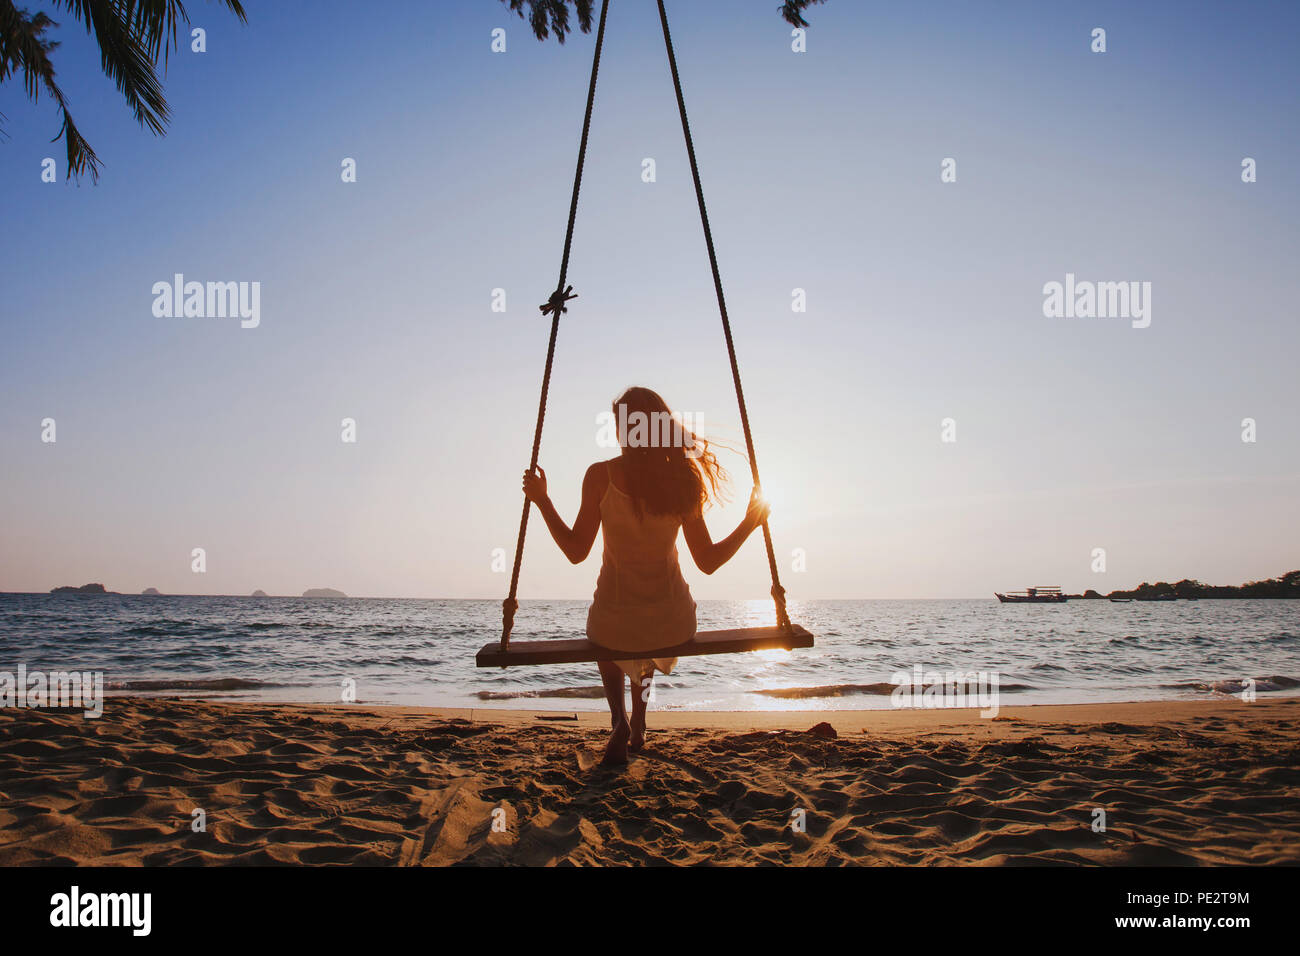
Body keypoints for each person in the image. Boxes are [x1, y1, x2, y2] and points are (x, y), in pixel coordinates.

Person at [521, 386, 771, 764]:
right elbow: (708, 561)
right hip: (672, 623)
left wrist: (542, 500)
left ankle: (619, 719)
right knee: (648, 636)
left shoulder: (599, 476)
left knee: (611, 636)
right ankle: (639, 719)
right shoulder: (684, 481)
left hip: (613, 622)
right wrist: (749, 524)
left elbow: (575, 551)